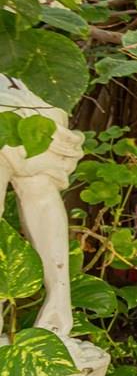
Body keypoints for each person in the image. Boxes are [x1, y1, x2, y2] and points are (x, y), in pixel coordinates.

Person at [0, 76, 85, 337]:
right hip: (17, 103)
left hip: (13, 100)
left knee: (38, 183)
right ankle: (58, 303)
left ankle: (59, 303)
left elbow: (40, 196)